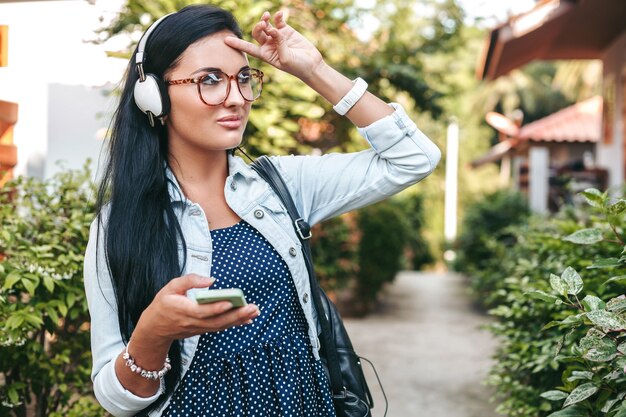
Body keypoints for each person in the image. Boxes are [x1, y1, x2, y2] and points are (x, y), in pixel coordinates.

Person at [83, 4, 441, 417]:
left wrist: (313, 70)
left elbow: (413, 158)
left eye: (244, 78)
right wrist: (153, 333)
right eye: (210, 80)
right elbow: (114, 399)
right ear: (154, 95)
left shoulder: (281, 185)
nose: (236, 98)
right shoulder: (118, 226)